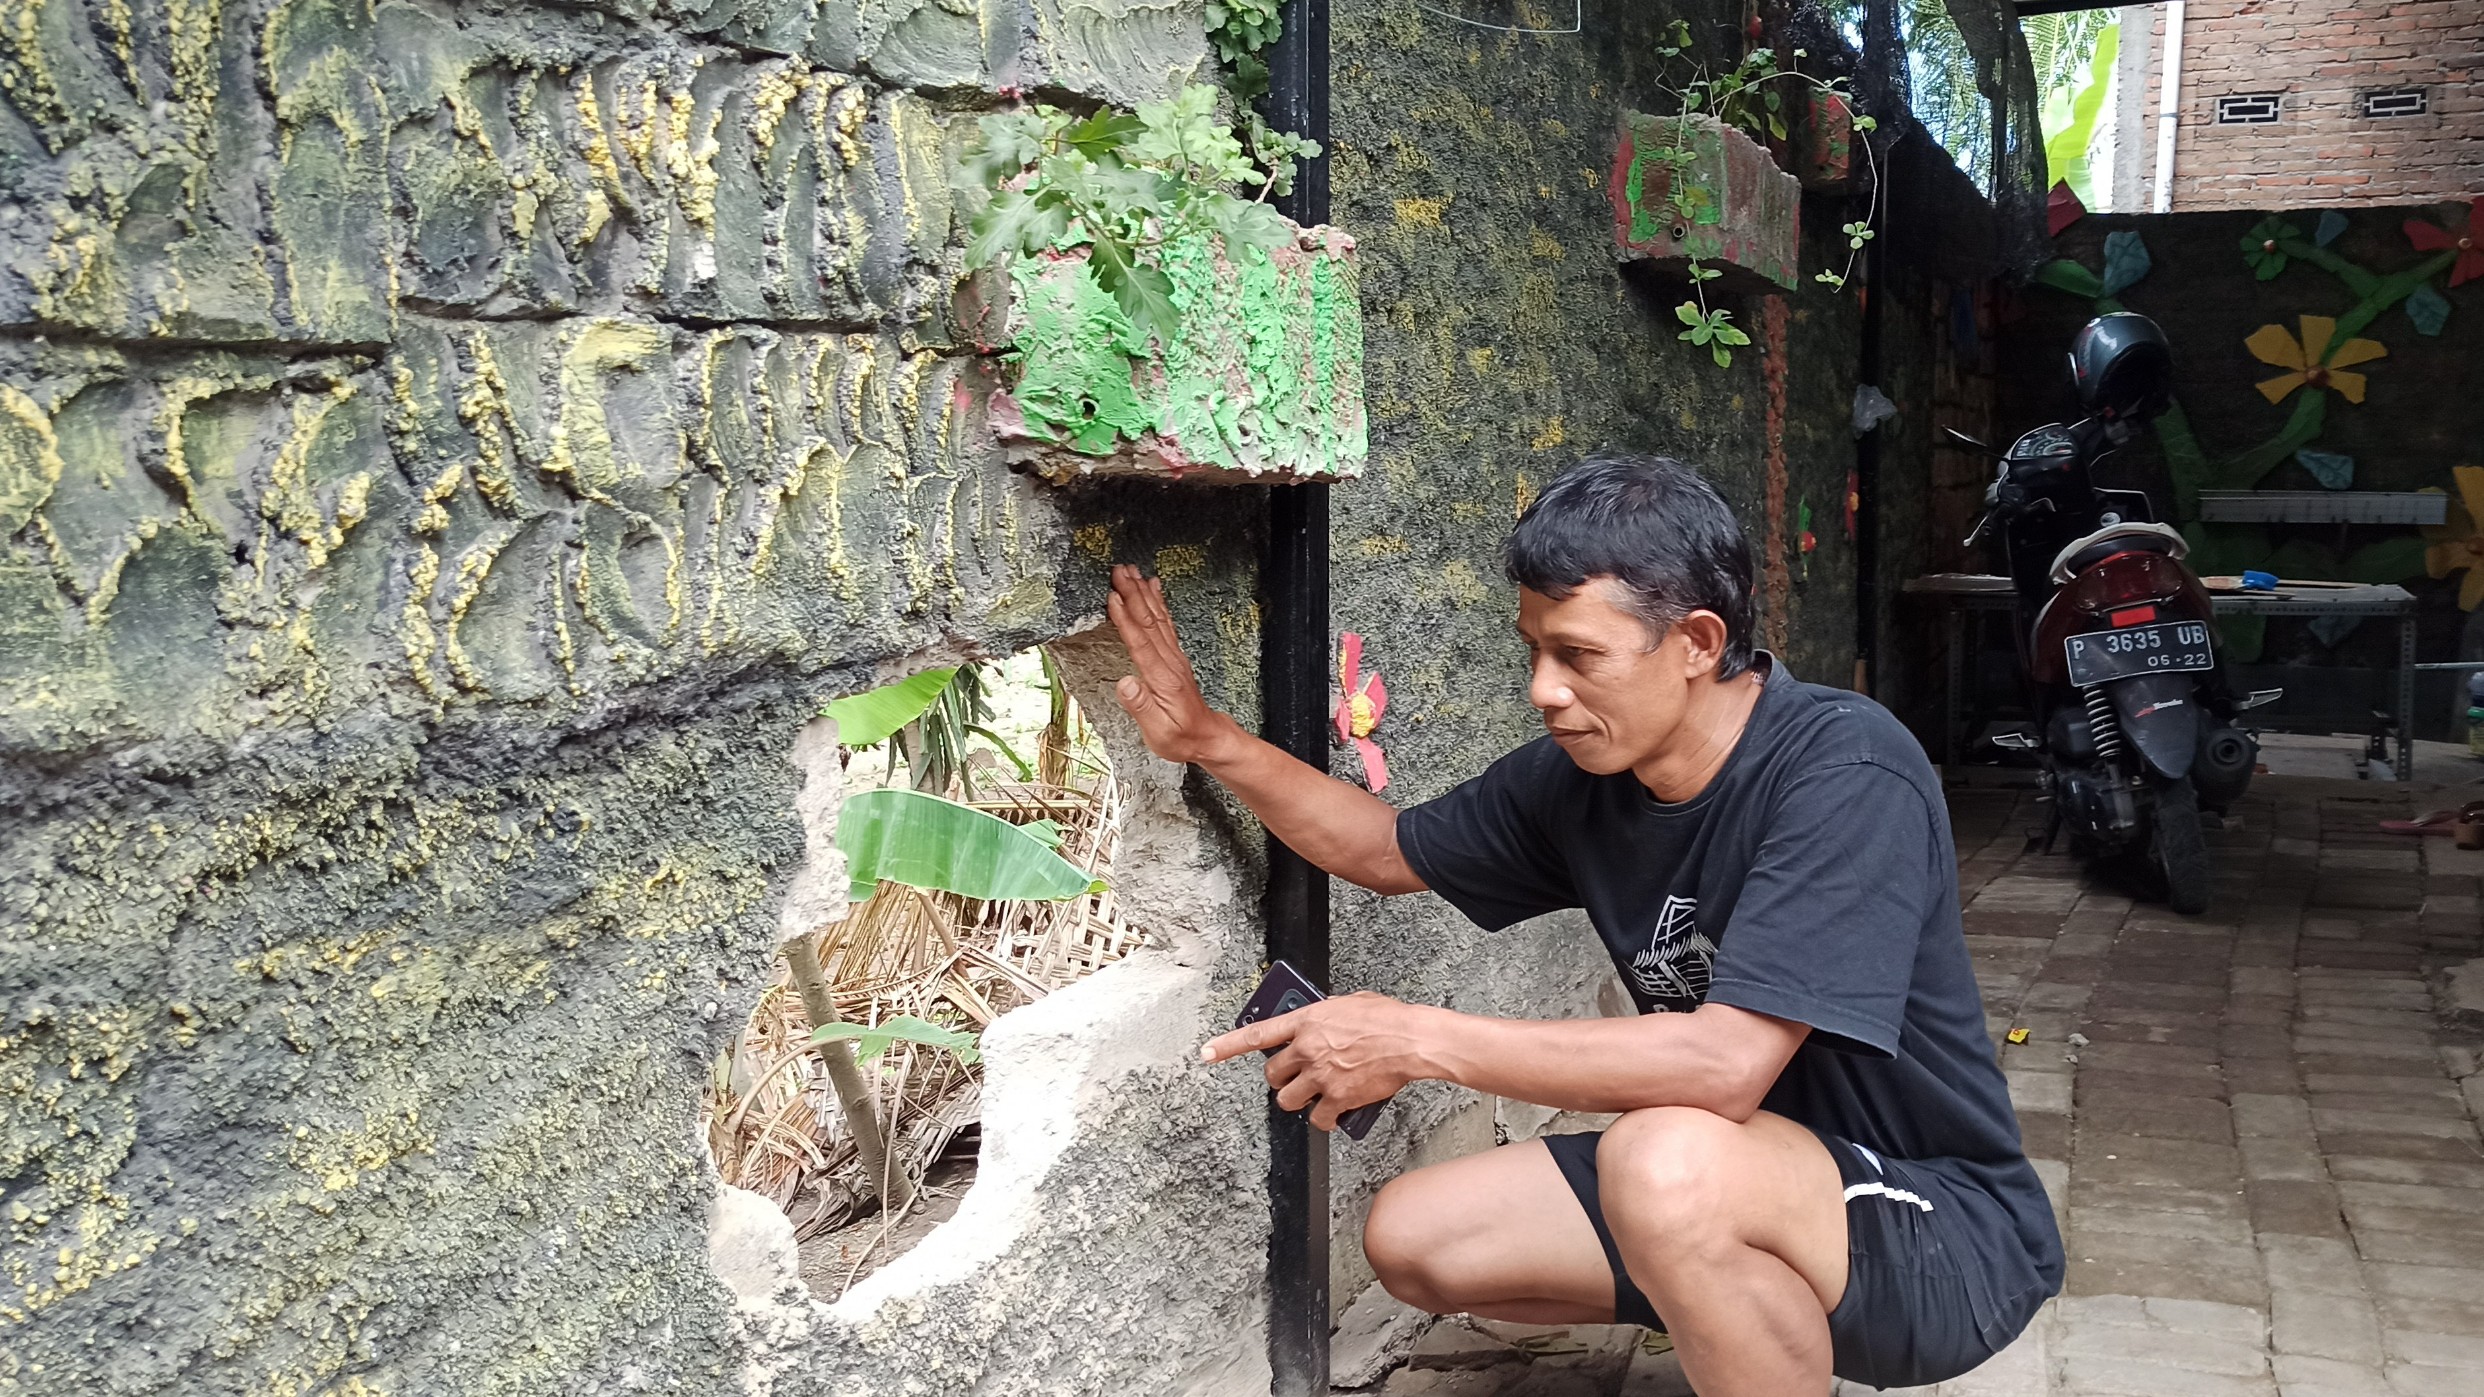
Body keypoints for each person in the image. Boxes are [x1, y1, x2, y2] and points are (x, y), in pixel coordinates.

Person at [1103, 453, 2059, 1394]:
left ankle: (1711, 1261)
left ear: (1694, 641)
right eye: (1534, 650)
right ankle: (1720, 1289)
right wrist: (1208, 737)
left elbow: (1725, 1066)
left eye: (1579, 655)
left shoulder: (1846, 770)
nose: (1544, 690)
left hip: (1943, 1231)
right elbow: (1386, 851)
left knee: (1663, 1158)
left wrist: (1417, 1038)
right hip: (1749, 1179)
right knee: (1416, 1237)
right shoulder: (1586, 778)